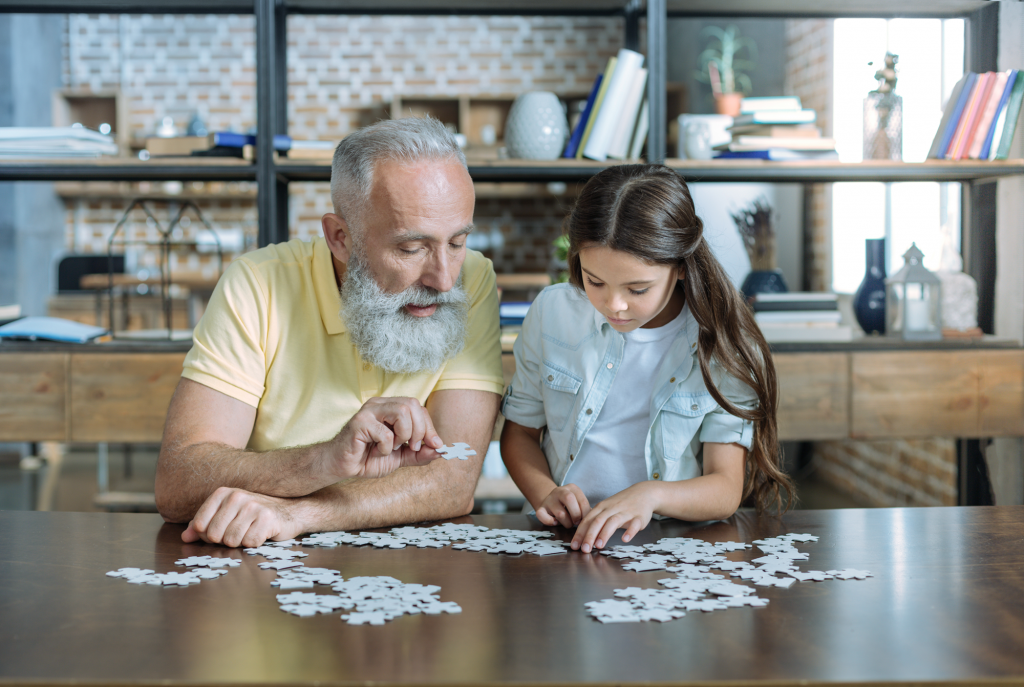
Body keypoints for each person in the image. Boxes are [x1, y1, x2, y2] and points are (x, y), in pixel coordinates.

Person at [154, 117, 505, 548]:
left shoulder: (475, 278)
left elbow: (453, 482)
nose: (445, 279)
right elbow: (177, 482)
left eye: (457, 242)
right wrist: (324, 460)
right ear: (340, 237)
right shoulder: (258, 283)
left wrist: (302, 512)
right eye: (411, 249)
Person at [500, 164, 793, 554]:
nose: (614, 305)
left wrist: (650, 496)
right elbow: (519, 434)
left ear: (682, 268)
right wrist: (545, 493)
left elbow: (725, 488)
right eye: (595, 281)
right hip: (563, 542)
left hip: (673, 545)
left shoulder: (723, 344)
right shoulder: (552, 313)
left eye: (637, 289)